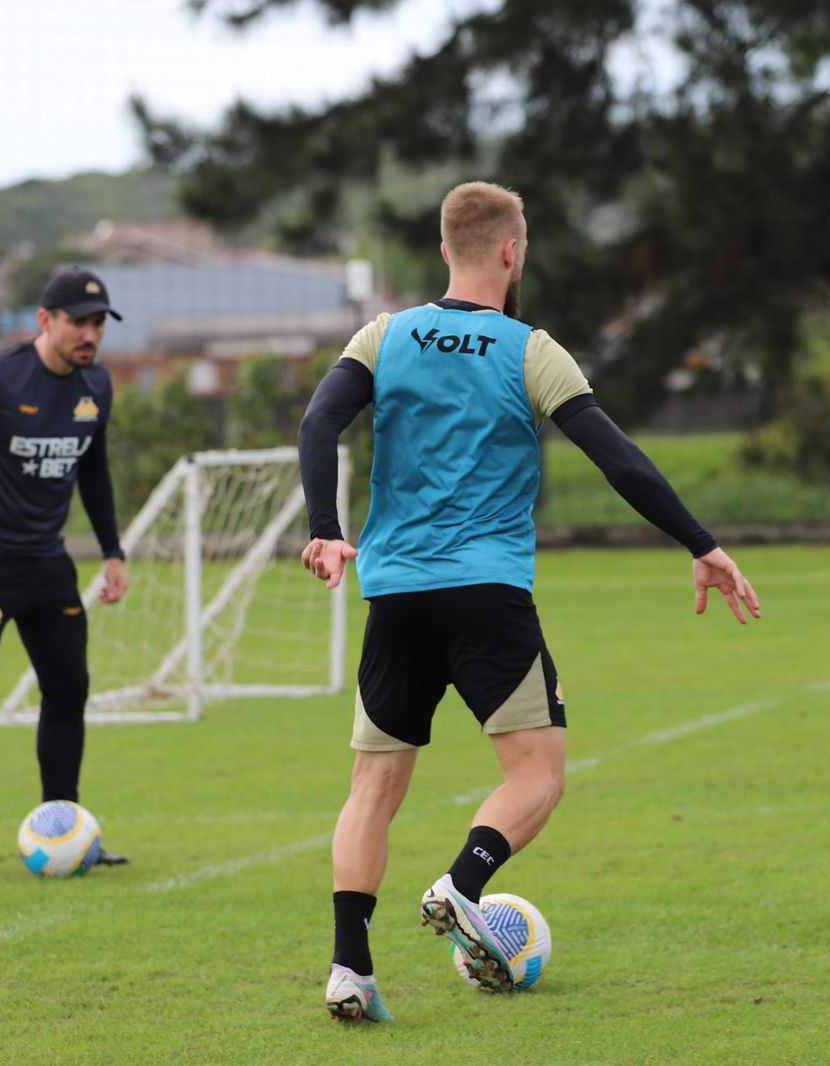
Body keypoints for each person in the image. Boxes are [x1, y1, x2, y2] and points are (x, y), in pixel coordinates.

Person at [297, 181, 761, 1022]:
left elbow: (317, 426)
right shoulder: (529, 349)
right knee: (538, 775)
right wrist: (701, 543)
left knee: (373, 788)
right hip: (485, 592)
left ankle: (349, 969)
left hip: (395, 589)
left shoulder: (384, 335)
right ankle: (462, 883)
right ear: (512, 251)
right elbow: (616, 457)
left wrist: (327, 528)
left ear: (445, 249)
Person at [0, 267, 132, 881]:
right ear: (46, 321)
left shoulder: (97, 384)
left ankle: (65, 832)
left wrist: (112, 551)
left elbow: (92, 472)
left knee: (68, 690)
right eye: (78, 322)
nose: (90, 334)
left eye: (98, 323)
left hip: (48, 566)